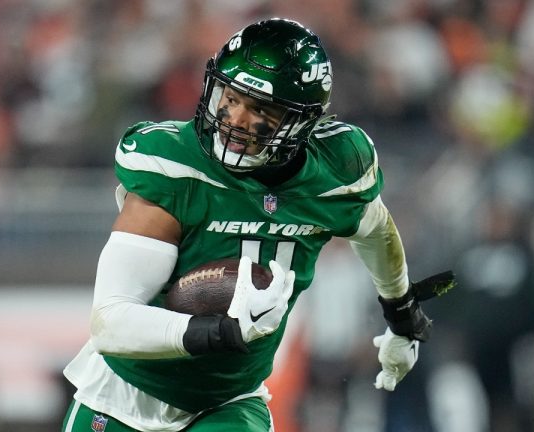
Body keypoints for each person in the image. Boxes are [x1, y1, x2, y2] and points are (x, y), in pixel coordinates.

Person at [62, 18, 454, 432]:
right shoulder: (175, 166)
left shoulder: (334, 172)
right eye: (231, 97)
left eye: (260, 109)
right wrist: (218, 332)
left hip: (227, 401)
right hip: (125, 394)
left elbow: (375, 229)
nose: (235, 119)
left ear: (302, 121)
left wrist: (400, 308)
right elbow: (110, 323)